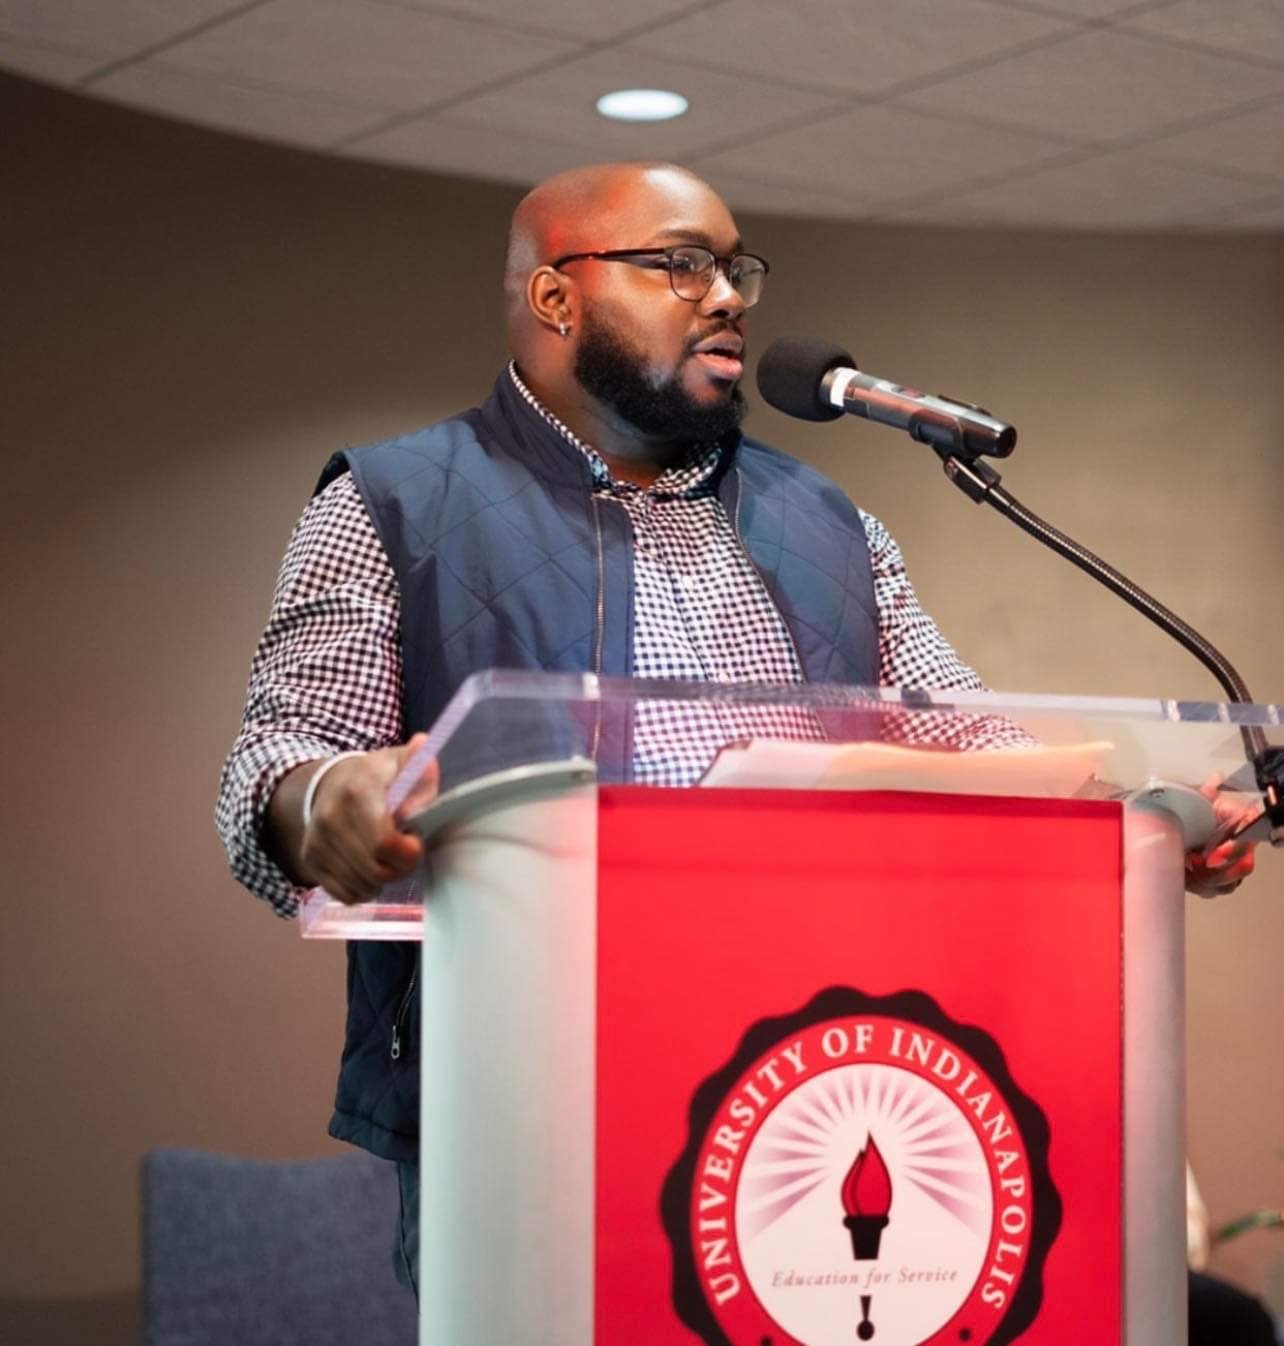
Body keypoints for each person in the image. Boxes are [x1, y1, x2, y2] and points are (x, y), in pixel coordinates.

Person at [216, 161, 1255, 1296]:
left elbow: (973, 747)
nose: (727, 296)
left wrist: (1140, 824)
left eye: (734, 266)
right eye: (680, 264)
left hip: (820, 1072)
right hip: (534, 1102)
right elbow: (274, 762)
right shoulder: (391, 501)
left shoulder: (831, 523)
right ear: (557, 298)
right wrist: (323, 802)